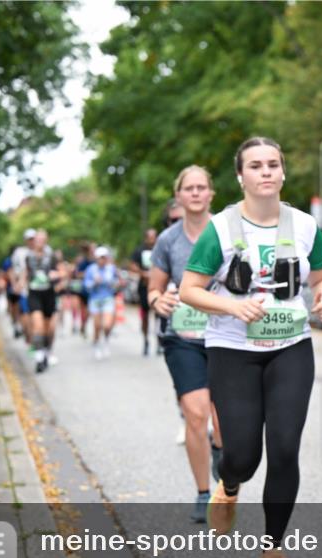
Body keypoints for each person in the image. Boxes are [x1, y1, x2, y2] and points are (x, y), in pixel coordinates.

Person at [180, 137, 322, 558]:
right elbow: (190, 288)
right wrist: (232, 306)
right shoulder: (221, 229)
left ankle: (273, 549)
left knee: (285, 448)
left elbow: (321, 279)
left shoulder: (306, 226)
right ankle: (229, 486)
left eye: (273, 164)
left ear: (283, 173)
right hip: (233, 350)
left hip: (291, 347)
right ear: (241, 177)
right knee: (243, 455)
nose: (265, 172)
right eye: (255, 165)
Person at [149, 165, 224, 523]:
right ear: (178, 197)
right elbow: (154, 286)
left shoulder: (228, 231)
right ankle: (203, 492)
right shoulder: (168, 241)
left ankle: (221, 452)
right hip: (182, 337)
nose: (195, 193)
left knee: (223, 417)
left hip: (227, 335)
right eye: (188, 188)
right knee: (196, 413)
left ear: (211, 193)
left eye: (201, 187)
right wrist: (156, 300)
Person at [25, 230, 62, 373]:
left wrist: (57, 275)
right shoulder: (28, 256)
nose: (39, 241)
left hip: (49, 294)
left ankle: (46, 352)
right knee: (38, 325)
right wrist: (21, 283)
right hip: (34, 293)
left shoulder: (51, 256)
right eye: (37, 239)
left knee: (48, 328)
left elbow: (61, 271)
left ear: (46, 240)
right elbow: (26, 273)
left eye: (42, 239)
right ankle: (39, 358)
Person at [84, 246, 123, 359]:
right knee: (97, 326)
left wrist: (115, 283)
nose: (103, 260)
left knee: (107, 324)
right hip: (95, 299)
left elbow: (118, 281)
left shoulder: (111, 268)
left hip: (107, 298)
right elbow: (86, 286)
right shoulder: (91, 269)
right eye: (101, 258)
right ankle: (96, 345)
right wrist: (94, 283)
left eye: (104, 257)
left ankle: (106, 340)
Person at [131, 228, 159, 356]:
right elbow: (133, 266)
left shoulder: (161, 248)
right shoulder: (139, 250)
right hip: (144, 287)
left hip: (159, 286)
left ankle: (160, 342)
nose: (152, 239)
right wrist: (144, 274)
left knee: (160, 316)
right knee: (145, 316)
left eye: (154, 236)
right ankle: (146, 340)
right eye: (150, 236)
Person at [11, 229, 36, 345]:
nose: (32, 241)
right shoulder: (19, 253)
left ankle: (34, 342)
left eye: (33, 239)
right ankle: (29, 338)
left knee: (35, 318)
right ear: (25, 240)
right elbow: (13, 271)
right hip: (25, 290)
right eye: (29, 239)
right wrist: (16, 284)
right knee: (26, 317)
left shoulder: (42, 251)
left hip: (37, 291)